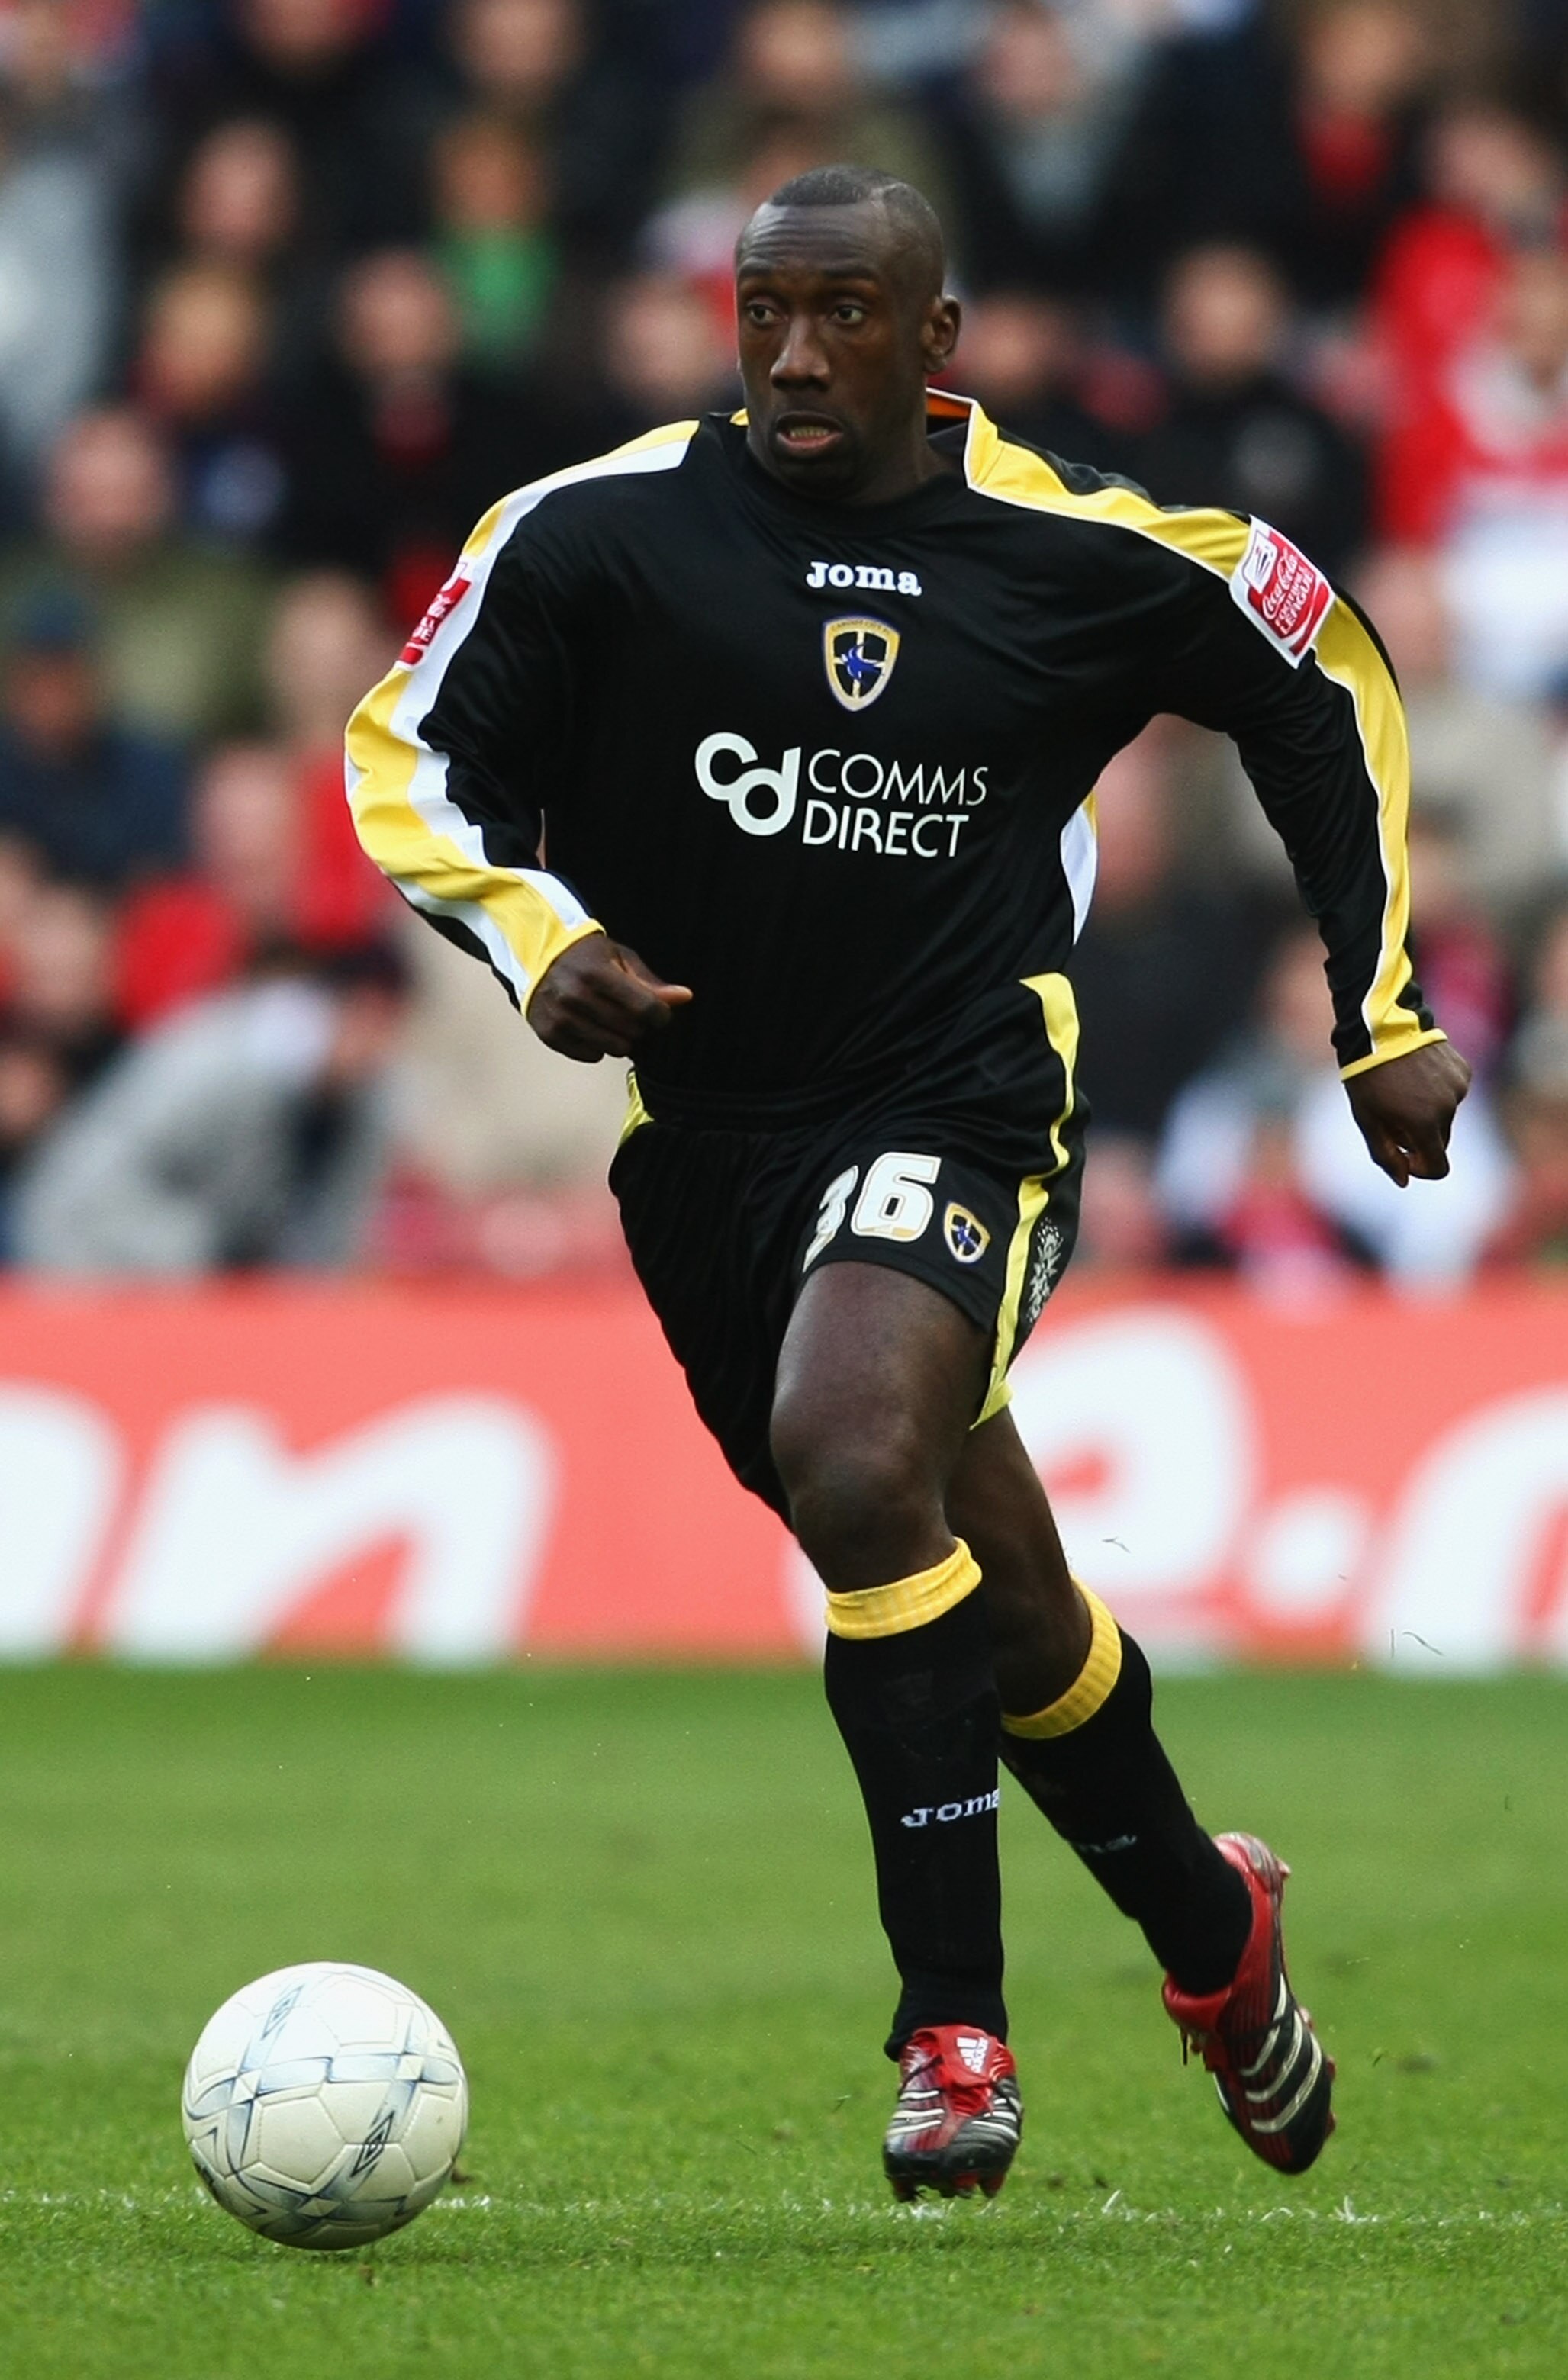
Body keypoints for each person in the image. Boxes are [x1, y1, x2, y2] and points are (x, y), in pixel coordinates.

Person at [345, 166, 1470, 2202]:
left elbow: (1323, 671)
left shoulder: (1075, 552)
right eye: (765, 309)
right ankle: (1221, 1946)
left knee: (857, 1463)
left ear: (934, 342)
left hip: (963, 1094)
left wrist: (1375, 1007)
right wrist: (534, 934)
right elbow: (403, 753)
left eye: (847, 313)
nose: (794, 352)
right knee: (993, 1590)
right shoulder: (601, 532)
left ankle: (951, 2030)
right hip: (708, 1143)